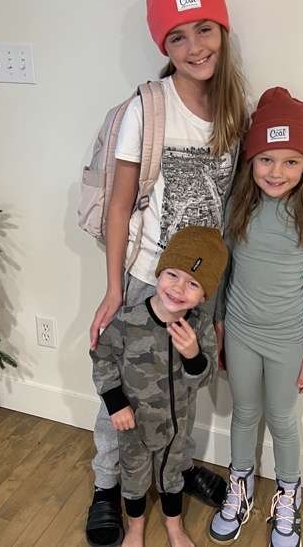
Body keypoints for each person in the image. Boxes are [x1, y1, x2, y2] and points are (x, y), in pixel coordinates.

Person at [84, 0, 303, 547]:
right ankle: (106, 486)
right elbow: (119, 205)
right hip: (149, 276)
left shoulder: (233, 112)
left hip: (204, 284)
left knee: (183, 384)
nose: (195, 46)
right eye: (177, 36)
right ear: (164, 45)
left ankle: (174, 470)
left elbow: (260, 192)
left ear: (222, 29)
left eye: (204, 28)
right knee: (127, 384)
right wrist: (116, 287)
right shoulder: (148, 107)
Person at [208, 87, 303, 547]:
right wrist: (220, 327)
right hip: (240, 332)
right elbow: (223, 272)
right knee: (244, 413)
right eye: (266, 160)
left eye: (290, 161)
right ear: (251, 160)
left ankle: (288, 494)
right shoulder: (237, 209)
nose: (277, 172)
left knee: (282, 419)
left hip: (287, 340)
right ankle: (239, 483)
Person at [91, 226, 228, 547]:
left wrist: (193, 355)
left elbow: (206, 377)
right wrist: (115, 403)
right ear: (159, 272)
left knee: (171, 475)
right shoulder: (128, 320)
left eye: (193, 283)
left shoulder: (200, 328)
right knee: (134, 477)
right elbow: (102, 357)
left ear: (204, 295)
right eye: (172, 275)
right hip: (133, 424)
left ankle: (174, 526)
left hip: (175, 427)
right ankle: (135, 528)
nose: (179, 288)